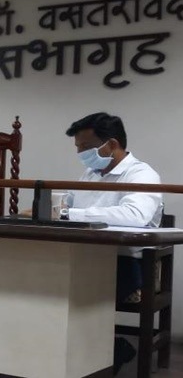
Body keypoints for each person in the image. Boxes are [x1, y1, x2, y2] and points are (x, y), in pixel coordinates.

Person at [63, 112, 163, 374]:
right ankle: (89, 354)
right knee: (45, 283)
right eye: (78, 148)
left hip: (126, 262)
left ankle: (108, 353)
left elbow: (135, 215)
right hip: (85, 256)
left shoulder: (141, 173)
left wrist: (69, 215)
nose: (81, 153)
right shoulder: (90, 174)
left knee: (70, 293)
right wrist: (49, 209)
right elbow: (67, 204)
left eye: (86, 147)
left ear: (112, 144)